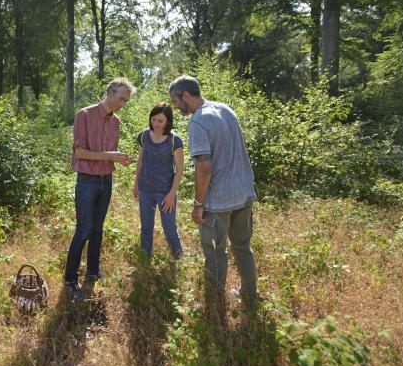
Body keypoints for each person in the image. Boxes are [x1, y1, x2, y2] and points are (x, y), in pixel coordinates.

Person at [169, 75, 258, 319]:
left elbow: (204, 167)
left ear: (186, 95)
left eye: (176, 101)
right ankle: (251, 296)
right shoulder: (225, 109)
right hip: (244, 193)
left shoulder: (198, 122)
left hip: (219, 201)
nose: (175, 107)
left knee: (215, 252)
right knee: (242, 247)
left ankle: (214, 303)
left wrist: (198, 204)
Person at [64, 78, 135, 301]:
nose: (124, 103)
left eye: (126, 100)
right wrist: (109, 156)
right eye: (122, 98)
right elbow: (80, 153)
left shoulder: (116, 122)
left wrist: (119, 158)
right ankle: (70, 280)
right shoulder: (84, 115)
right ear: (110, 92)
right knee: (84, 229)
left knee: (98, 229)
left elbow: (108, 153)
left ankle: (93, 273)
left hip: (106, 180)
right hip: (86, 181)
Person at [133, 103, 184, 259]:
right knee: (146, 229)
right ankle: (144, 260)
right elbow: (140, 161)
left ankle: (179, 259)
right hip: (145, 190)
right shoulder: (143, 136)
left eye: (160, 121)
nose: (155, 124)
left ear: (167, 122)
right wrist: (136, 184)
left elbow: (180, 169)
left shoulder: (174, 140)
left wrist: (171, 194)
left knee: (169, 229)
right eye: (153, 119)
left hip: (165, 192)